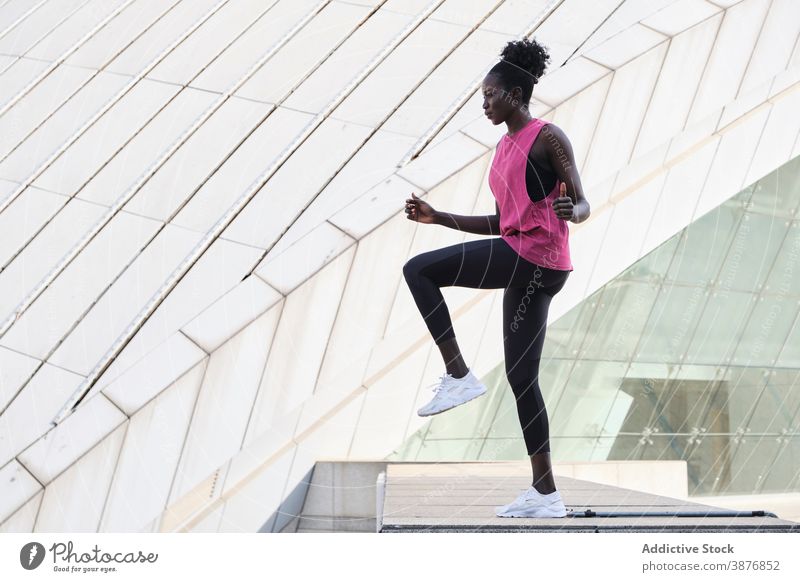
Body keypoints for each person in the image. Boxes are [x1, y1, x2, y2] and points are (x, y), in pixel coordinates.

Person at [401, 38, 590, 518]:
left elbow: (583, 202)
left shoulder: (548, 137)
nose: (484, 103)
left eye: (490, 94)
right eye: (483, 96)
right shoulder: (504, 148)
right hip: (527, 260)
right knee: (522, 378)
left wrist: (574, 209)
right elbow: (502, 223)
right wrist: (438, 217)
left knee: (419, 270)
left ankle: (459, 374)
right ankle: (546, 494)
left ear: (515, 95)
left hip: (537, 260)